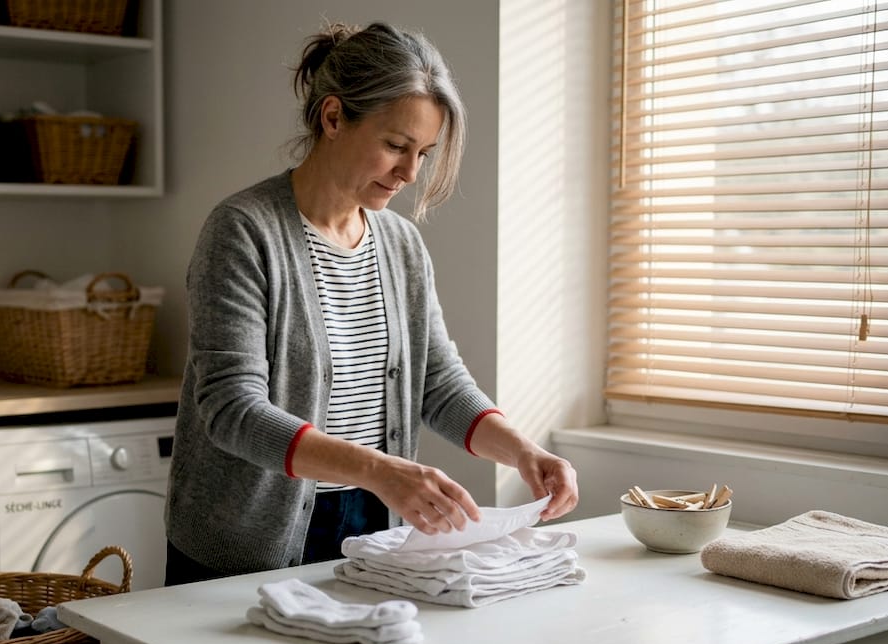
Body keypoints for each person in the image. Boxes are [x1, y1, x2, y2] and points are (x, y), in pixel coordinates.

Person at [164, 20, 579, 585]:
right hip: (245, 540)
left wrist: (523, 452)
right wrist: (382, 471)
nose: (409, 173)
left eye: (424, 154)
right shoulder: (242, 231)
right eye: (395, 146)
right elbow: (231, 410)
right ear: (333, 118)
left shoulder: (401, 244)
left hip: (370, 526)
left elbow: (437, 381)